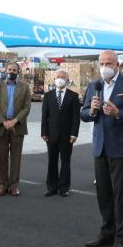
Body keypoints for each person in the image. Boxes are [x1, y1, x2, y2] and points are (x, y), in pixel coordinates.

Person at [80, 50, 123, 247]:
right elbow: (83, 113)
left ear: (117, 65)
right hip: (100, 147)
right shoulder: (94, 85)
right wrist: (91, 111)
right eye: (102, 63)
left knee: (120, 196)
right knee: (103, 195)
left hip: (121, 149)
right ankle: (106, 232)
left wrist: (119, 113)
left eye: (109, 62)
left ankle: (120, 239)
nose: (105, 66)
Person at [0, 63, 31, 197]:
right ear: (5, 71)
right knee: (1, 157)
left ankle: (14, 186)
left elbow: (26, 107)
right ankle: (2, 185)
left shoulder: (24, 87)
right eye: (9, 69)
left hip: (17, 126)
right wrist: (4, 121)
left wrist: (14, 121)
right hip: (1, 125)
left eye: (14, 70)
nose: (11, 72)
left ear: (18, 72)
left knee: (16, 157)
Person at [41, 69, 80, 197]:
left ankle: (64, 187)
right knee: (51, 161)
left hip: (67, 135)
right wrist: (44, 132)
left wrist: (74, 134)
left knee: (65, 161)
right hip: (51, 135)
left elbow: (76, 117)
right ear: (54, 80)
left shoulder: (73, 96)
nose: (60, 78)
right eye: (58, 76)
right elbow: (44, 116)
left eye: (63, 77)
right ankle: (51, 187)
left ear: (67, 80)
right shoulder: (48, 96)